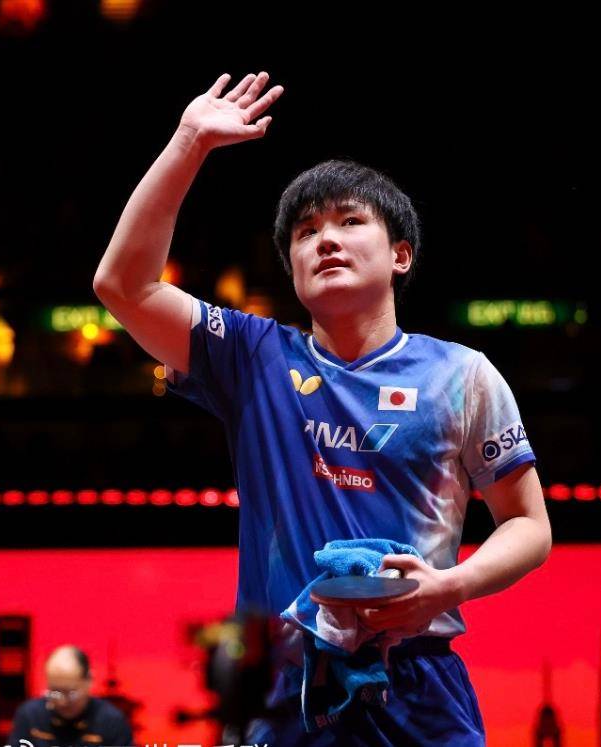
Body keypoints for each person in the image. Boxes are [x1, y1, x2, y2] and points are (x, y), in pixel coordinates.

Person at [93, 71, 552, 745]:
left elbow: (529, 525)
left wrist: (449, 585)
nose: (325, 239)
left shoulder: (462, 375)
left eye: (349, 221)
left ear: (400, 255)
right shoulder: (253, 358)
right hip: (286, 691)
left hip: (418, 681)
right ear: (293, 268)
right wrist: (189, 141)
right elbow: (123, 285)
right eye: (306, 232)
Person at [6, 645, 132, 747]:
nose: (63, 702)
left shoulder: (111, 722)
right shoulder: (30, 717)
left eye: (71, 693)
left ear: (89, 681)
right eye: (55, 692)